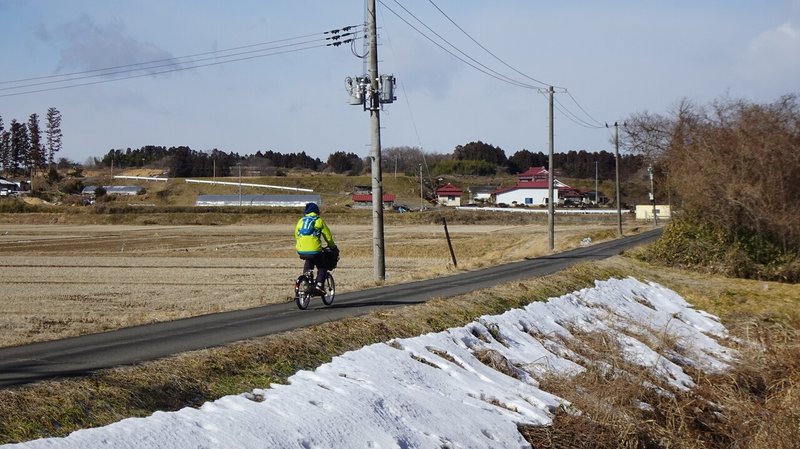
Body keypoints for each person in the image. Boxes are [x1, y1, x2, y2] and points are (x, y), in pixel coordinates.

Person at [295, 202, 337, 294]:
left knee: (308, 260)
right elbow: (328, 236)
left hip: (301, 250)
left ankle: (306, 278)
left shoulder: (301, 221)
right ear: (317, 211)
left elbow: (296, 235)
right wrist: (332, 246)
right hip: (315, 249)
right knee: (322, 266)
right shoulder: (318, 220)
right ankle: (319, 285)